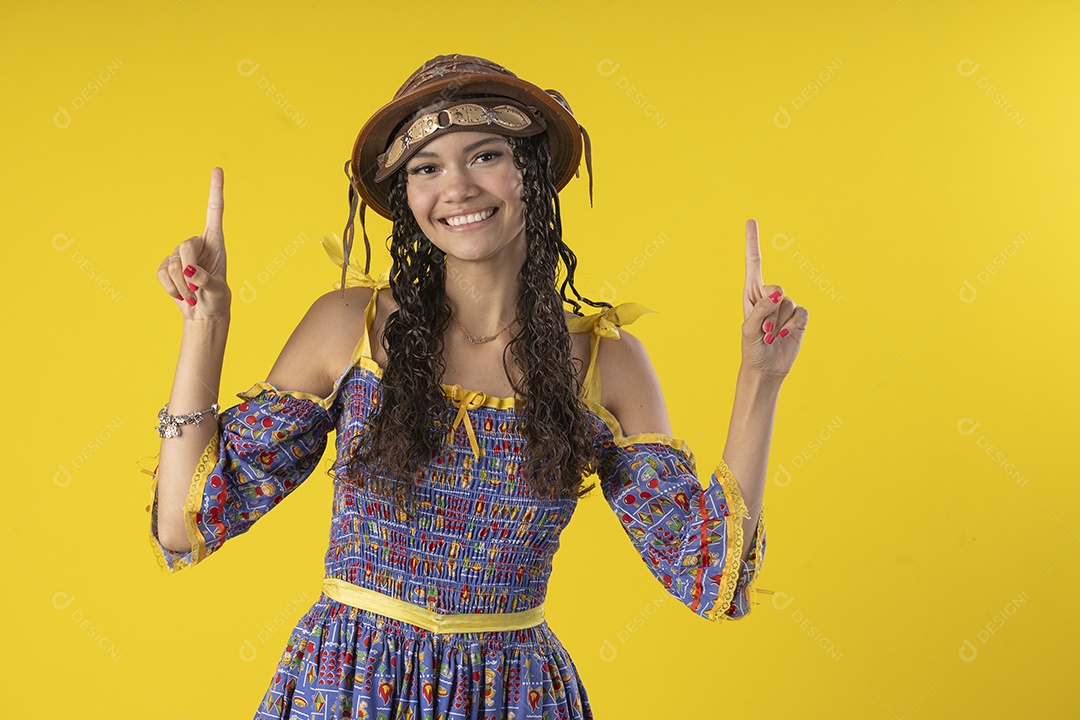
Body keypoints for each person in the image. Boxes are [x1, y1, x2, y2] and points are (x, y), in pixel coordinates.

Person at [148, 54, 807, 719]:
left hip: (513, 697)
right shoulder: (351, 326)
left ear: (533, 172)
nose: (456, 187)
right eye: (426, 168)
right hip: (346, 688)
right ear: (405, 195)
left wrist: (762, 375)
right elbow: (183, 523)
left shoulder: (606, 362)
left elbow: (707, 572)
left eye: (484, 155)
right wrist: (206, 324)